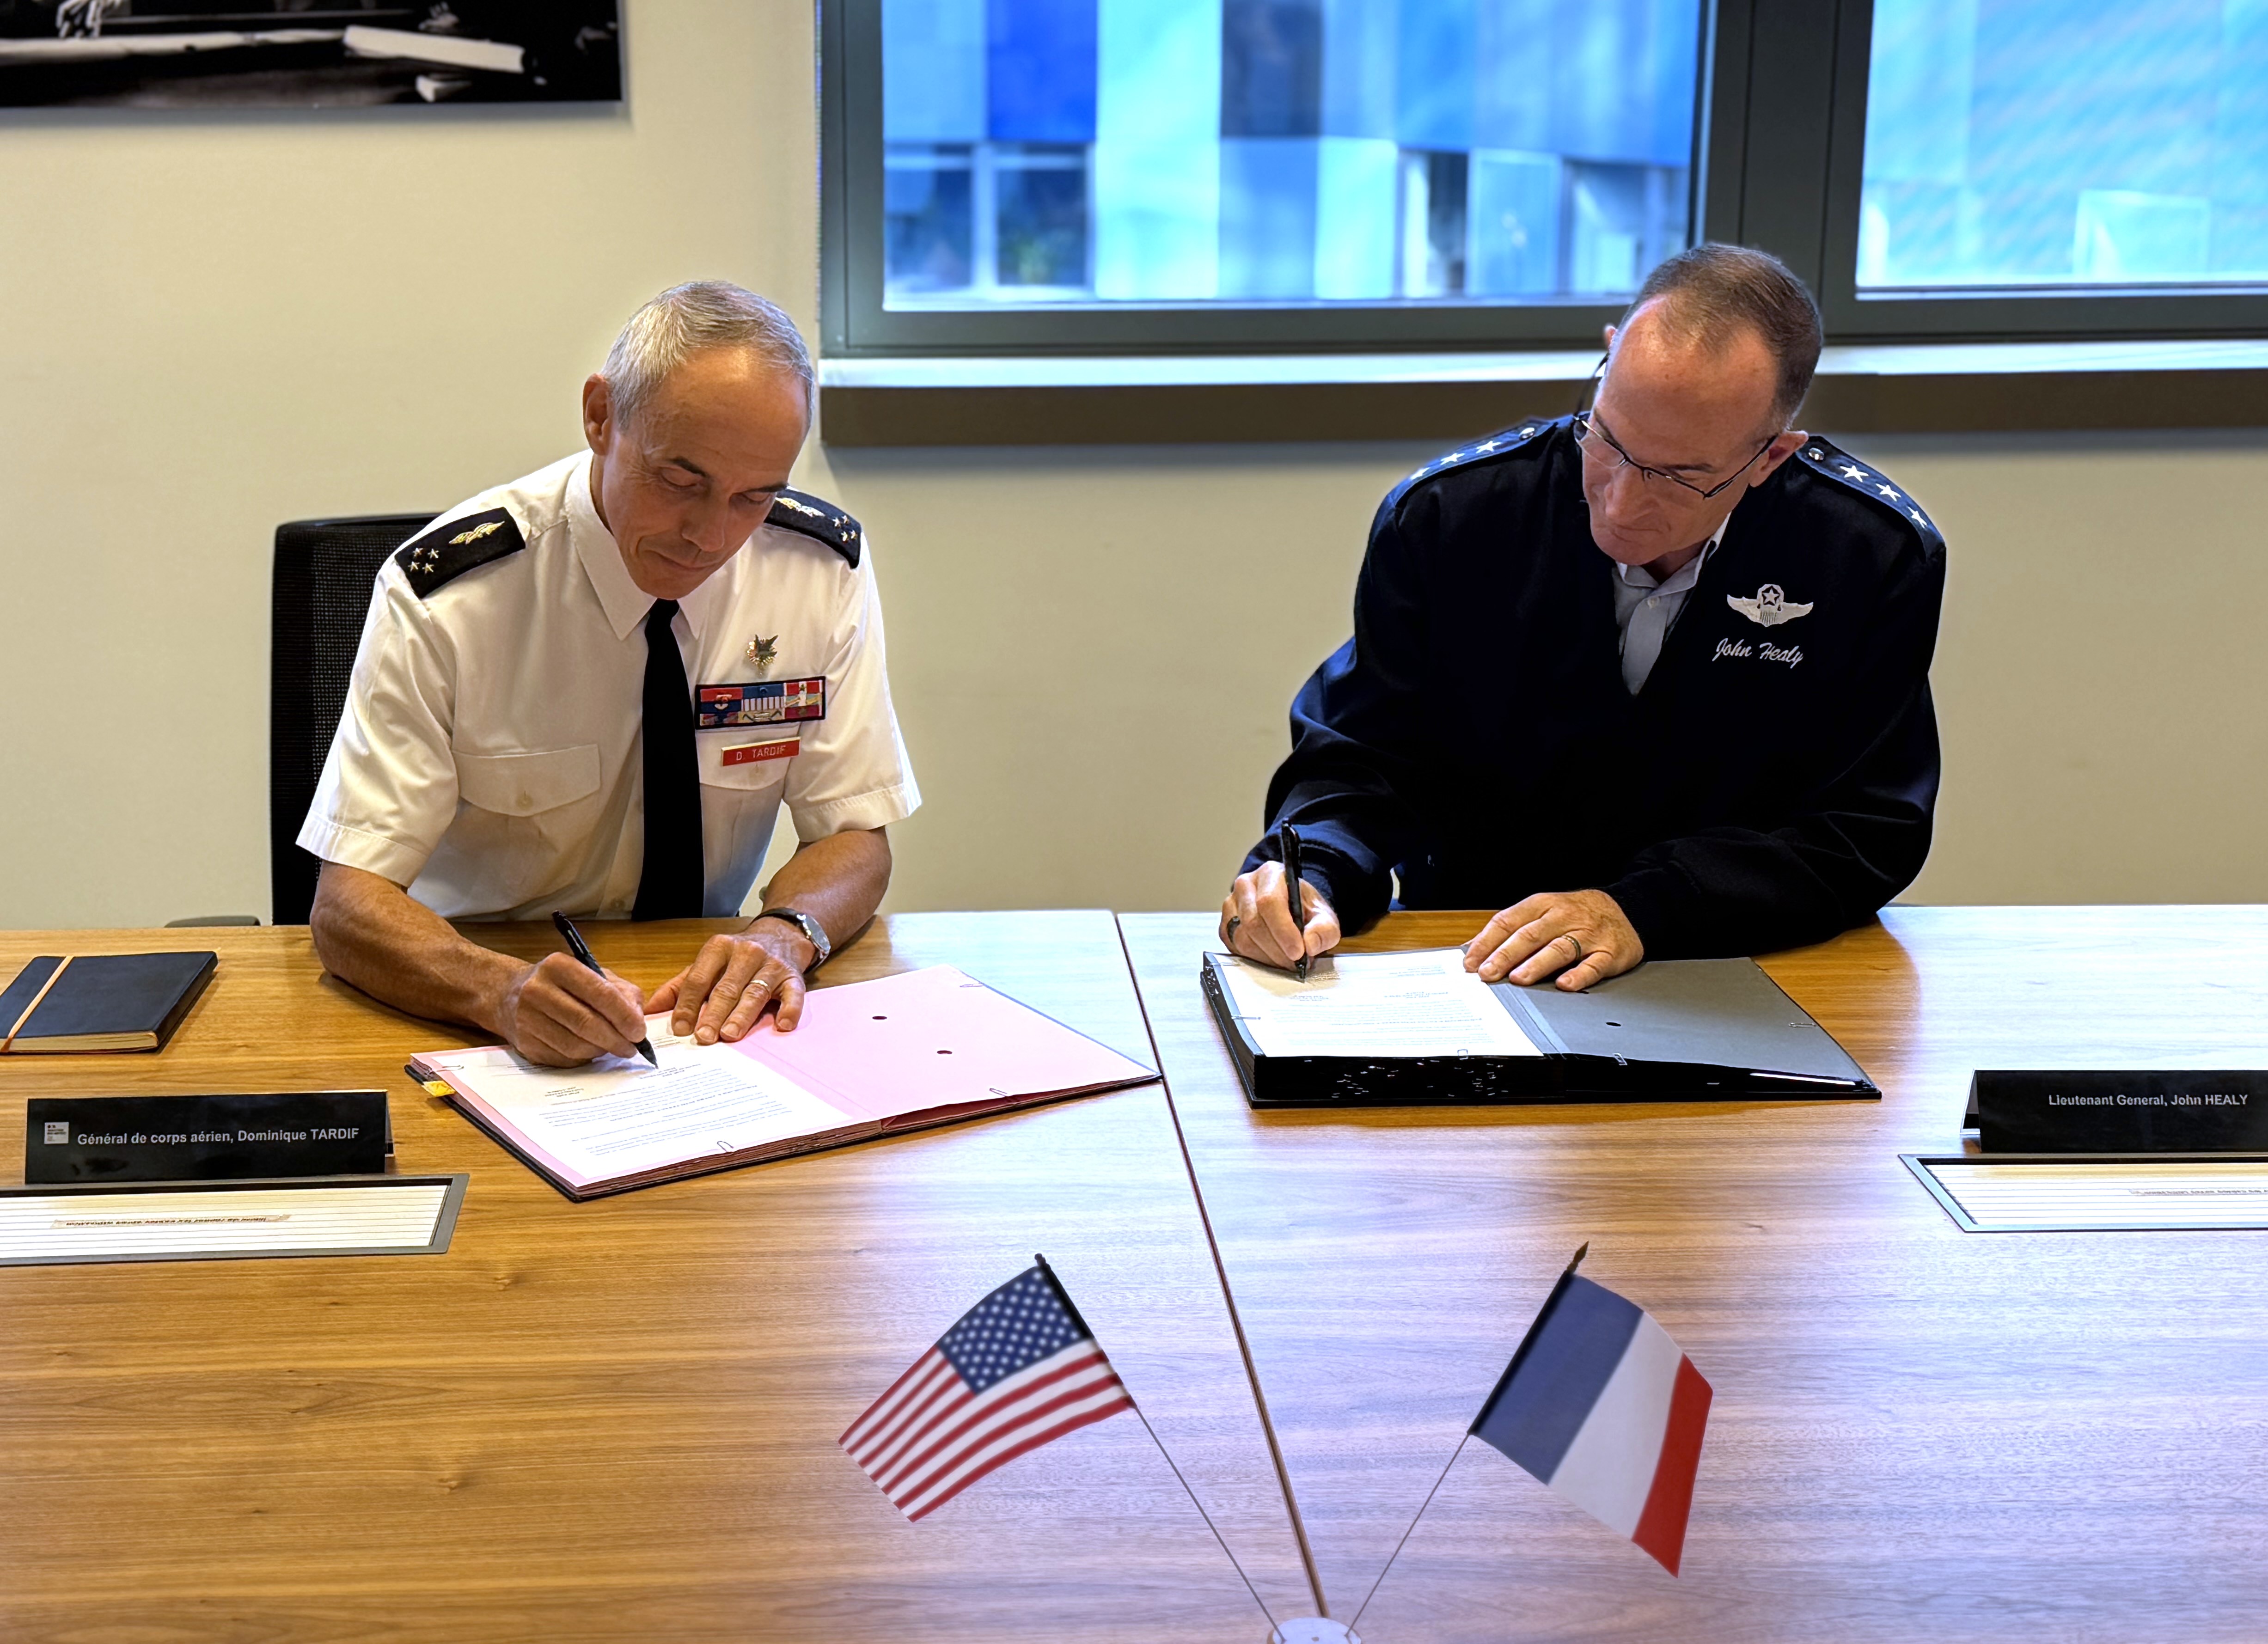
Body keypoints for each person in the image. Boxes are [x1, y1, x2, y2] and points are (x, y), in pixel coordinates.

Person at [1220, 244, 1945, 992]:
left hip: (1735, 964)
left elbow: (1866, 829)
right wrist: (1313, 867)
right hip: (1480, 960)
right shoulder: (1451, 519)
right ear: (1607, 359)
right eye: (1609, 440)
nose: (1622, 502)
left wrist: (1644, 909)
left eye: (1680, 476)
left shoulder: (1869, 557)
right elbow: (1362, 754)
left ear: (1771, 456)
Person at [302, 281, 919, 1065]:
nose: (710, 535)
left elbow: (856, 836)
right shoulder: (451, 596)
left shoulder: (815, 572)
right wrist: (497, 991)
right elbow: (348, 904)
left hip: (698, 1010)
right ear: (601, 416)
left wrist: (784, 934)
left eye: (753, 497)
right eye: (681, 481)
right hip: (479, 1001)